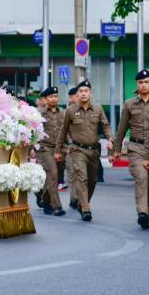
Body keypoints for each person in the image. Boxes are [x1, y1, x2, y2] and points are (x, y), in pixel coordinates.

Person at [55, 80, 113, 221]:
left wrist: (110, 139)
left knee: (92, 180)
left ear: (90, 93)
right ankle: (86, 209)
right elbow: (63, 131)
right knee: (82, 177)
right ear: (77, 94)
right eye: (80, 91)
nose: (83, 94)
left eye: (86, 91)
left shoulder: (98, 109)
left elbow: (105, 126)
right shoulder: (71, 110)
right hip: (77, 150)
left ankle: (82, 203)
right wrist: (58, 150)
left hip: (93, 151)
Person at [113, 69, 149, 229]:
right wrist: (116, 149)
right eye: (141, 82)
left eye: (147, 82)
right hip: (136, 148)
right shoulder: (129, 104)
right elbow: (122, 128)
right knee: (141, 178)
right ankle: (142, 213)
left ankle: (148, 213)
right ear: (137, 85)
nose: (144, 85)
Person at [36, 87, 66, 216]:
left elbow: (67, 131)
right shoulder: (39, 113)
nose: (53, 98)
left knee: (56, 178)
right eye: (50, 96)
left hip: (60, 149)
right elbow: (34, 132)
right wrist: (32, 149)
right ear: (46, 99)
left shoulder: (63, 113)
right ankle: (57, 206)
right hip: (45, 149)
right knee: (52, 174)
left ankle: (43, 197)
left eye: (55, 96)